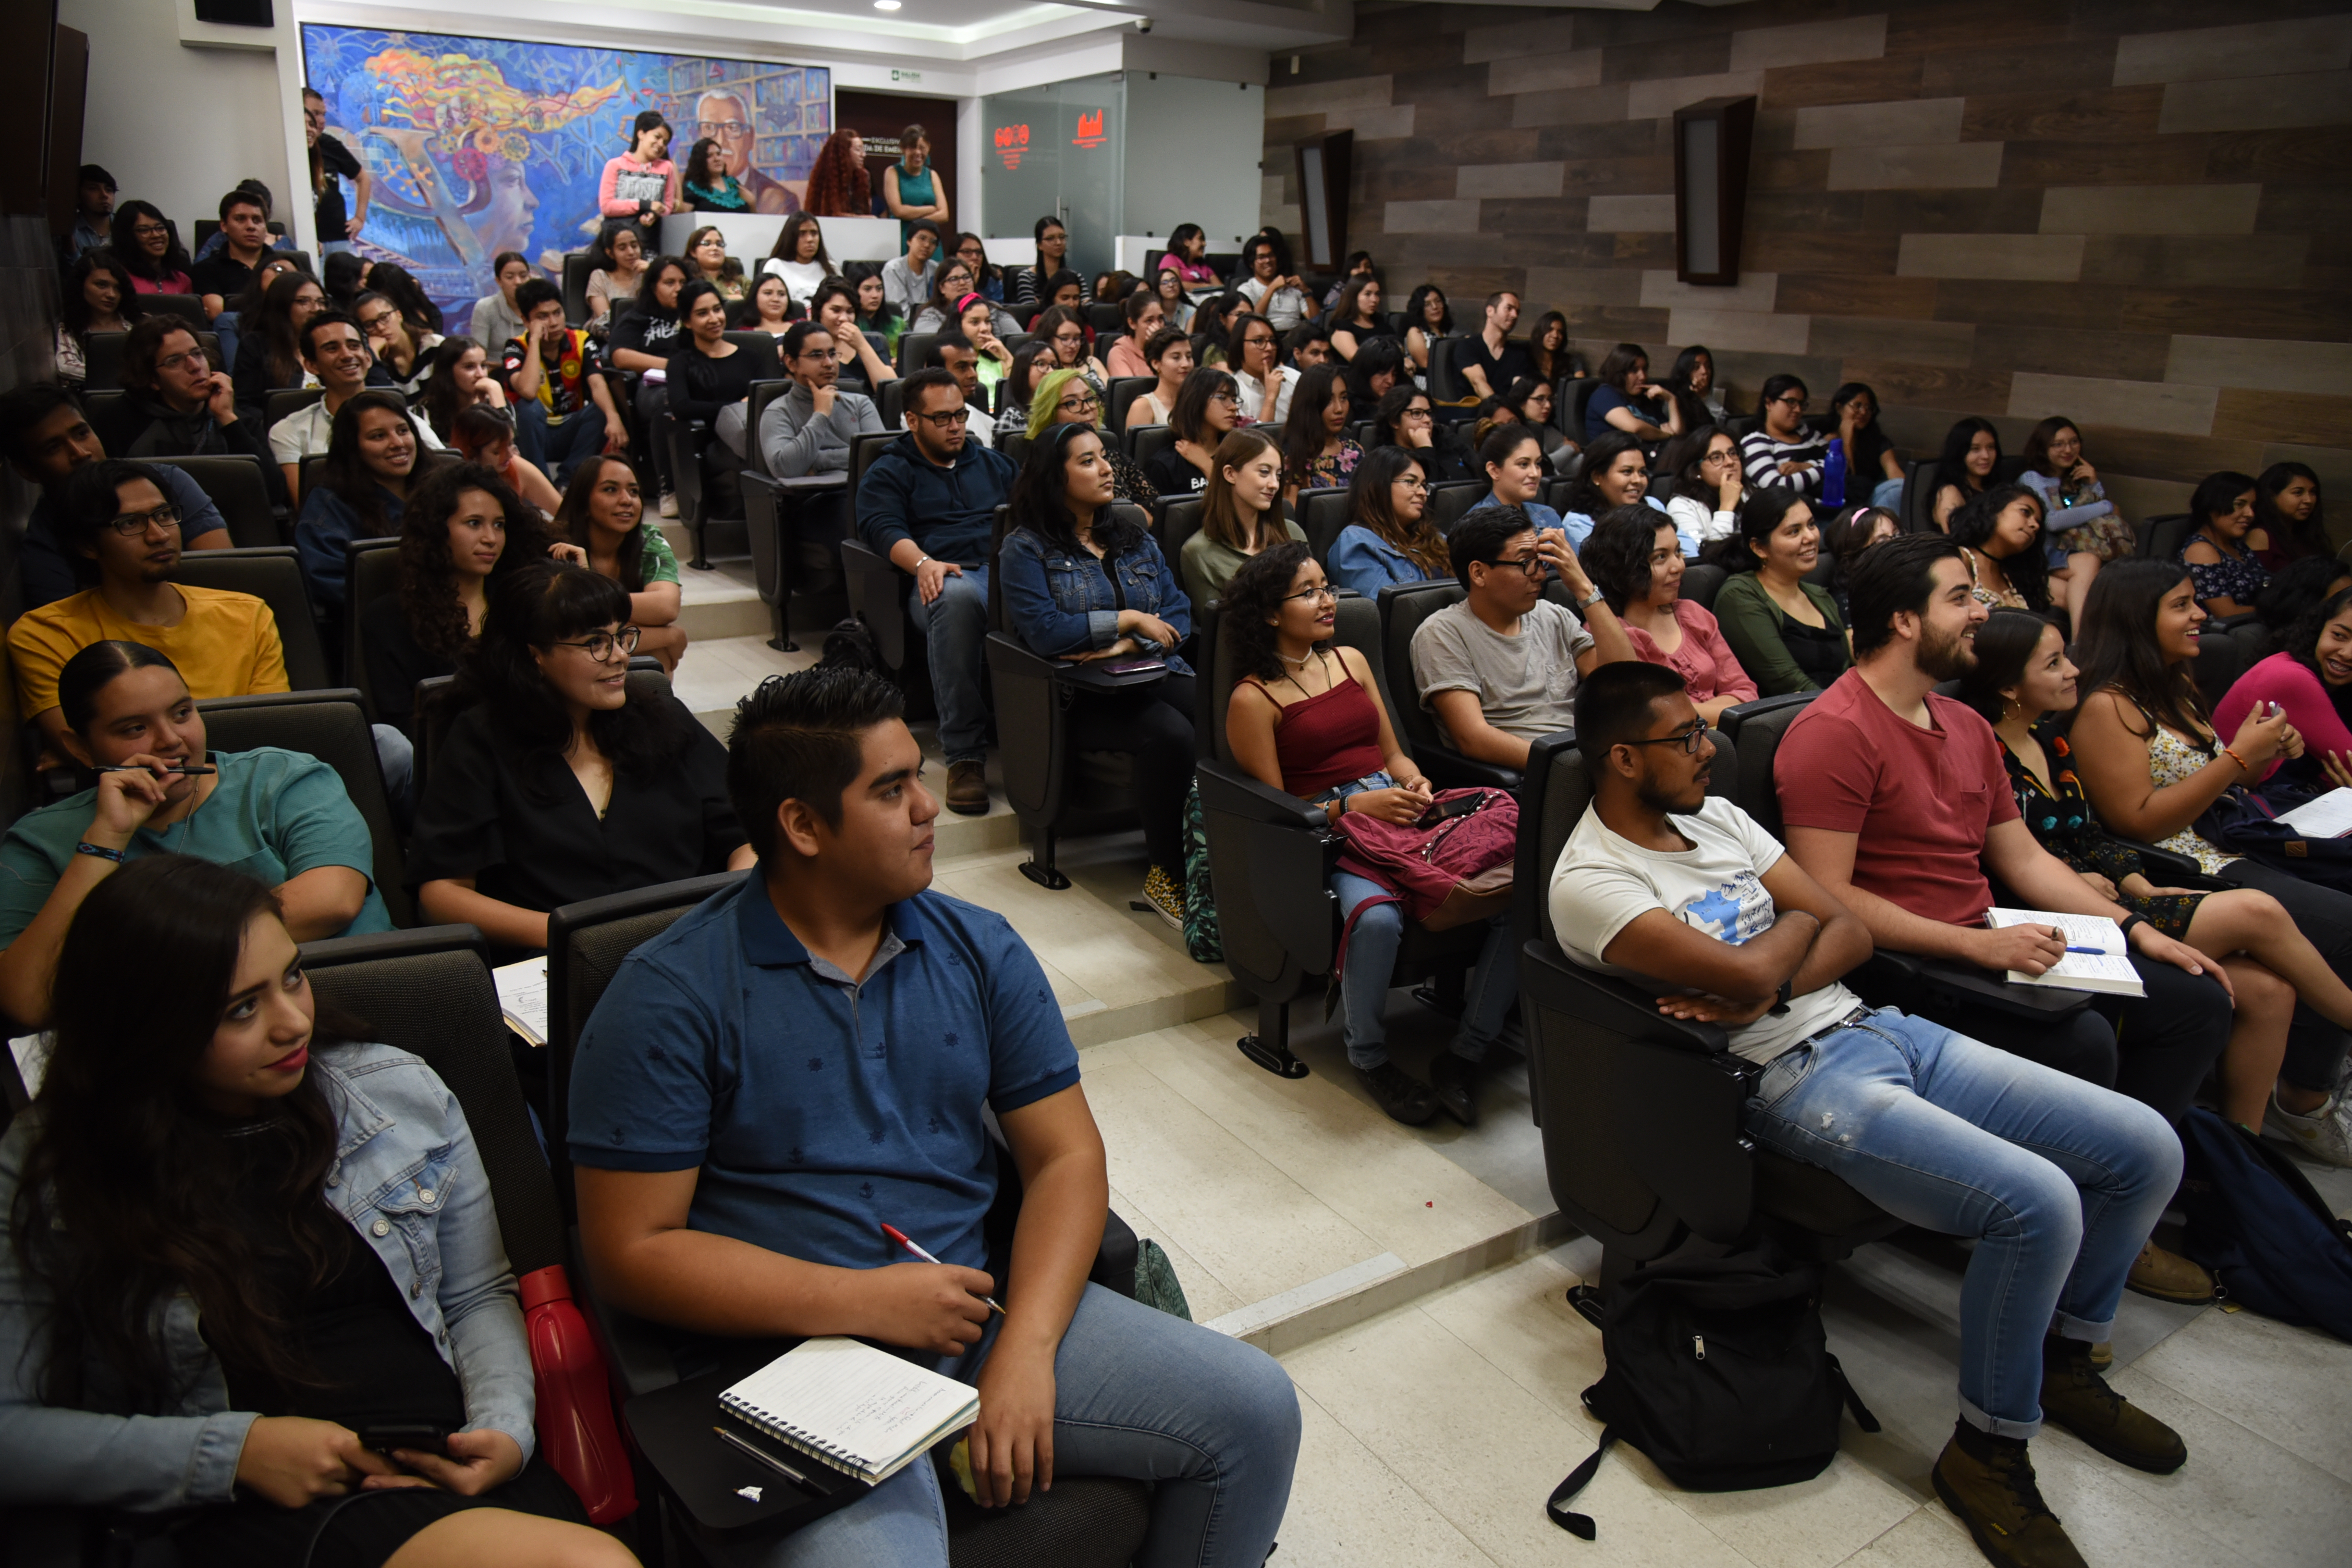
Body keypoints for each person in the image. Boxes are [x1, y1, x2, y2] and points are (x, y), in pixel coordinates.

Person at [568, 662, 1297, 1562]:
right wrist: (865, 1301)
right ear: (800, 824)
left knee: (1254, 1408)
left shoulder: (975, 945)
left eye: (919, 773)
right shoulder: (670, 995)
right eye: (890, 788)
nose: (929, 806)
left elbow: (1066, 1158)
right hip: (794, 1357)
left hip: (967, 1311)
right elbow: (631, 1250)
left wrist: (1024, 1352)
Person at [1555, 660, 2191, 1568]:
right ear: (1621, 757)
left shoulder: (1717, 817)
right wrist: (1782, 955)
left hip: (1878, 1027)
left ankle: (2068, 1353)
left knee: (2144, 1147)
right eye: (1687, 737)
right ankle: (1987, 1448)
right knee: (2036, 1204)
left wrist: (1772, 971)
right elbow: (1759, 962)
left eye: (1705, 729)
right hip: (1791, 1079)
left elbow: (1842, 923)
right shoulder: (1592, 879)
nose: (1710, 748)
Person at [6, 847, 622, 1559]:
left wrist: (505, 1431)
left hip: (445, 1465)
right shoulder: (56, 1162)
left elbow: (477, 1293)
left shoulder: (395, 1091)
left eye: (292, 977)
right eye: (241, 1009)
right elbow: (14, 1432)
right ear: (146, 1027)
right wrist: (233, 1455)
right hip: (240, 1504)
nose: (292, 1022)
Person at [1773, 535, 2236, 1207]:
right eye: (1960, 598)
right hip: (1916, 965)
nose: (1982, 613)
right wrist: (1974, 944)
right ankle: (2061, 1212)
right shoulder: (1834, 732)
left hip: (1990, 938)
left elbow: (2022, 857)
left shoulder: (1964, 723)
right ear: (1905, 620)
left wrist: (2136, 928)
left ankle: (2121, 1197)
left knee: (2196, 1003)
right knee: (2083, 1041)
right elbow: (1828, 896)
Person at [1962, 608, 2352, 1146]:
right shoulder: (1985, 750)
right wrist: (2093, 880)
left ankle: (2242, 1162)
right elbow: (2010, 857)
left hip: (2112, 896)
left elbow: (2094, 836)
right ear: (2009, 685)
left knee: (2271, 991)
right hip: (2049, 918)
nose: (2075, 670)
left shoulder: (2050, 737)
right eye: (2054, 663)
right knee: (2258, 910)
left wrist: (2135, 882)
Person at [1220, 544, 1516, 1125]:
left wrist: (1415, 782)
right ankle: (1370, 1055)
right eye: (1308, 592)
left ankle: (1467, 1051)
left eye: (1327, 587)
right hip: (1335, 836)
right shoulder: (1251, 698)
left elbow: (1393, 752)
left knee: (1515, 890)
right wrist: (1356, 804)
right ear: (1272, 614)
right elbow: (1280, 810)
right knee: (1377, 918)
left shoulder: (1352, 659)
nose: (1327, 600)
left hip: (1400, 812)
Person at [2068, 563, 2352, 1162]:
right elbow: (2138, 821)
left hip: (2228, 844)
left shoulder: (2172, 686)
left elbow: (2214, 783)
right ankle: (2305, 1094)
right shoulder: (2107, 706)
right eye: (2182, 604)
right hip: (2181, 865)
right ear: (2139, 620)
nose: (2200, 614)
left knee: (2324, 923)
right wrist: (2238, 761)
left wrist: (2268, 752)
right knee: (2343, 927)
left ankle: (2246, 1154)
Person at [411, 563, 753, 948]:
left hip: (689, 945)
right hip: (553, 961)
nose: (620, 656)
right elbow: (442, 894)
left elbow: (748, 836)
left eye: (623, 637)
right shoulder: (481, 737)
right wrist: (574, 938)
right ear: (534, 655)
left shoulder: (663, 717)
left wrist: (719, 914)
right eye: (595, 643)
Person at [999, 425, 1195, 922]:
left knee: (1230, 710)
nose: (1107, 468)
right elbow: (1045, 633)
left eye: (1103, 457)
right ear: (1054, 477)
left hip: (1151, 670)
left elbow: (1179, 613)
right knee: (1168, 733)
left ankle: (1224, 859)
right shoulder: (1026, 549)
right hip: (1082, 699)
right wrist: (1127, 619)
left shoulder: (1134, 538)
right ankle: (1166, 876)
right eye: (1087, 461)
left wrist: (1133, 641)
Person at [9, 461, 287, 755]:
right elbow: (85, 752)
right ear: (87, 545)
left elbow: (271, 735)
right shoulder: (46, 634)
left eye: (164, 515)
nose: (159, 535)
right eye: (130, 523)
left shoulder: (248, 614)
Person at [858, 368, 1019, 815]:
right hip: (943, 577)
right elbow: (879, 526)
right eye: (942, 418)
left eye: (961, 415)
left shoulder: (994, 463)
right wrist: (923, 562)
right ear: (912, 420)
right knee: (955, 596)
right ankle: (965, 755)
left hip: (1006, 571)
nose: (955, 426)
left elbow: (1031, 515)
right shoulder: (890, 470)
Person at [1412, 505, 1634, 769]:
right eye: (1526, 563)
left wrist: (1583, 587)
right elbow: (1472, 738)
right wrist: (1568, 766)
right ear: (1479, 573)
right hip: (1532, 774)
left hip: (1590, 754)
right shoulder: (1442, 633)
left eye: (1540, 561)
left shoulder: (1553, 616)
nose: (1540, 574)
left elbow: (1626, 685)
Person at [364, 460, 562, 738]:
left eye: (499, 525)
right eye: (474, 524)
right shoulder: (388, 618)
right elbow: (404, 727)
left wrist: (578, 579)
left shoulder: (520, 600)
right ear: (436, 529)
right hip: (450, 758)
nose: (491, 538)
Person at [2, 385, 234, 612]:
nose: (80, 453)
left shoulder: (169, 482)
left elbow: (223, 583)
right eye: (53, 448)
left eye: (82, 434)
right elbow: (70, 631)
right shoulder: (43, 547)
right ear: (27, 471)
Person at [1582, 505, 1756, 724]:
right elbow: (1654, 718)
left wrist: (1696, 713)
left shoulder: (1693, 614)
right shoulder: (1608, 635)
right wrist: (1724, 711)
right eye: (1661, 557)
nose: (1679, 566)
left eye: (1678, 552)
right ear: (1624, 567)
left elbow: (1745, 692)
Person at [271, 311, 445, 507]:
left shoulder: (407, 424)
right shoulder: (290, 431)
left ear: (368, 358)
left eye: (354, 346)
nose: (347, 355)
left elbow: (446, 479)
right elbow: (305, 506)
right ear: (312, 365)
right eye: (332, 349)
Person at [759, 317, 884, 580]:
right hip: (816, 505)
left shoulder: (860, 403)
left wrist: (818, 462)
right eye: (816, 355)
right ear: (791, 363)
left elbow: (878, 456)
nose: (829, 363)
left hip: (864, 493)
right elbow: (787, 467)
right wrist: (821, 414)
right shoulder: (777, 411)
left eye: (832, 354)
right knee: (865, 524)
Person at [109, 318, 280, 497]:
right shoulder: (119, 422)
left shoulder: (236, 420)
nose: (195, 366)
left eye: (197, 354)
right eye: (174, 361)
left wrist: (227, 419)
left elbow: (275, 493)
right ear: (152, 379)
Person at [1710, 490, 1852, 696]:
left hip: (1837, 707)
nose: (1811, 537)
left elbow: (1846, 671)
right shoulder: (1740, 596)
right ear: (1759, 548)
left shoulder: (1819, 595)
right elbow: (1788, 683)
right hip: (1790, 719)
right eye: (1794, 532)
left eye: (1811, 525)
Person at [555, 455, 688, 675]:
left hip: (613, 648)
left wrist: (594, 601)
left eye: (634, 492)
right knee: (659, 644)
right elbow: (571, 633)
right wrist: (669, 636)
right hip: (570, 661)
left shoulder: (648, 541)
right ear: (584, 503)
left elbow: (666, 606)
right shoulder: (560, 546)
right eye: (610, 490)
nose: (627, 500)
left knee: (654, 657)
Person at [294, 389, 421, 614]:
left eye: (403, 430)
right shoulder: (329, 506)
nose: (398, 443)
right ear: (353, 447)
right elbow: (336, 585)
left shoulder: (444, 485)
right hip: (383, 624)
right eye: (378, 436)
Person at [503, 279, 622, 489]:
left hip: (570, 429)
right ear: (526, 320)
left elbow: (597, 383)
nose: (554, 322)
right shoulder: (515, 348)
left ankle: (568, 482)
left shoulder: (582, 340)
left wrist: (614, 418)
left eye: (557, 313)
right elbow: (529, 391)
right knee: (529, 409)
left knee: (602, 410)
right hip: (534, 436)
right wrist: (534, 342)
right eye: (542, 317)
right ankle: (541, 486)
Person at [1181, 429, 1306, 610]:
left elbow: (1316, 597)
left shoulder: (1293, 533)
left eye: (1278, 475)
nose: (1275, 485)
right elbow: (1217, 630)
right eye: (1264, 472)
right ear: (1230, 474)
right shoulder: (1199, 552)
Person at [2018, 415, 2133, 596]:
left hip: (2084, 549)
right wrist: (2104, 505)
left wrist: (2094, 484)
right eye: (2058, 444)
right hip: (2047, 554)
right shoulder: (2032, 479)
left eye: (2074, 442)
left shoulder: (2076, 479)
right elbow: (2052, 521)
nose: (2068, 450)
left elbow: (2113, 516)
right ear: (2042, 448)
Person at [1330, 446, 1448, 598]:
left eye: (1424, 486)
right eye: (1411, 482)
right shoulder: (1356, 543)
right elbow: (1392, 611)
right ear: (1379, 486)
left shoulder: (1431, 535)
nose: (1422, 493)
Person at [1024, 368, 1153, 503]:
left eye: (1090, 398)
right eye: (1072, 403)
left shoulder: (1112, 452)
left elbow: (1156, 506)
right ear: (1049, 413)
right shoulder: (1041, 465)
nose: (1087, 408)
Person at [1556, 430, 1676, 552]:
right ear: (1597, 477)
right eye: (1627, 472)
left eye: (1642, 472)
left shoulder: (1653, 505)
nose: (1638, 480)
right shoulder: (1579, 523)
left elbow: (1688, 552)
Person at [231, 268, 328, 418]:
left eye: (321, 302)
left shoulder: (334, 344)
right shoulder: (256, 345)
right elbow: (245, 406)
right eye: (304, 301)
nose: (316, 309)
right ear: (281, 305)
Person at [688, 88, 798, 215]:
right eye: (708, 127)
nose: (720, 141)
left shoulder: (778, 200)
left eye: (733, 128)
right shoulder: (688, 188)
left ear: (750, 137)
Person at [1950, 483, 2054, 614]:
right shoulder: (1958, 560)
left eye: (2038, 522)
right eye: (2025, 512)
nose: (2035, 526)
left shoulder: (2017, 579)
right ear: (1993, 509)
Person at [447, 401, 564, 517]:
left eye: (510, 444)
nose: (509, 455)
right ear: (472, 454)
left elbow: (565, 514)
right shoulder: (454, 484)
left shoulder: (517, 467)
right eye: (497, 451)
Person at [2178, 469, 2268, 618]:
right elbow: (2226, 613)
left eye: (2253, 506)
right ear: (2212, 507)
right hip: (2221, 634)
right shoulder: (2201, 550)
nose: (2250, 514)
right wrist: (2280, 613)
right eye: (2240, 505)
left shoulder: (2236, 544)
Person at [1464, 425, 1573, 543]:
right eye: (1524, 464)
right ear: (1494, 471)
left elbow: (1577, 560)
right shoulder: (1477, 528)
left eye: (1538, 464)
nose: (1535, 474)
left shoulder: (1548, 516)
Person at [1146, 366, 1242, 500]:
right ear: (1196, 400)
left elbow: (1244, 506)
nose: (1233, 407)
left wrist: (1208, 466)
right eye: (1222, 397)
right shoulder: (1165, 465)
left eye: (1233, 399)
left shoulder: (1240, 454)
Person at [1275, 364, 1361, 503]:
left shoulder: (1354, 451)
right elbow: (1292, 517)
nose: (1339, 409)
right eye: (1328, 400)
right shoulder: (1292, 456)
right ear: (1310, 405)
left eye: (1344, 398)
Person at [302, 87, 371, 252]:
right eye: (315, 113)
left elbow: (363, 179)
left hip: (337, 238)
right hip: (306, 238)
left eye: (323, 115)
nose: (321, 120)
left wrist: (359, 219)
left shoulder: (329, 144)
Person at [211, 252, 301, 378]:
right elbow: (238, 377)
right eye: (279, 269)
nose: (286, 278)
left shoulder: (305, 323)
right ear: (259, 275)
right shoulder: (231, 322)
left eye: (294, 276)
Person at [190, 188, 274, 320]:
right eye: (240, 219)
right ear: (224, 226)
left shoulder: (284, 265)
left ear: (266, 227)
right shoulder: (206, 269)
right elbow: (217, 313)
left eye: (257, 220)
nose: (251, 226)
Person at [1742, 375, 1829, 499]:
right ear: (1769, 403)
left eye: (1801, 404)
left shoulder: (1810, 434)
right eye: (1791, 402)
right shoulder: (1754, 443)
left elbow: (1842, 465)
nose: (1798, 410)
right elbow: (1776, 487)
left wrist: (1806, 466)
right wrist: (1826, 469)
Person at [55, 250, 132, 388]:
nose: (112, 295)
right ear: (81, 285)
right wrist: (128, 376)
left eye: (118, 288)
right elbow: (66, 366)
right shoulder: (71, 328)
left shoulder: (137, 324)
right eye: (102, 285)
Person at [1661, 427, 1746, 549]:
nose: (1730, 462)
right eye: (1716, 457)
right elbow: (1706, 559)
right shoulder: (1681, 507)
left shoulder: (1748, 494)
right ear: (1696, 471)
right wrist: (1726, 508)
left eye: (1733, 453)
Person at [1371, 385, 1475, 484]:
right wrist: (1425, 449)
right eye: (1417, 413)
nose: (1427, 420)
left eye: (1429, 413)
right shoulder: (1385, 460)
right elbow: (1427, 494)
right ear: (1394, 421)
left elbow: (1480, 470)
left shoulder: (1445, 438)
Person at [1583, 342, 1681, 446]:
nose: (1642, 376)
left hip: (1651, 454)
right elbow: (1634, 428)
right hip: (1618, 457)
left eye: (1644, 369)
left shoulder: (1644, 398)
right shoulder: (1604, 394)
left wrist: (1672, 400)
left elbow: (1677, 435)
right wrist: (1666, 436)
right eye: (1634, 371)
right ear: (1619, 373)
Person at [1827, 381, 1905, 510]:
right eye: (1857, 406)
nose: (1863, 412)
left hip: (1871, 498)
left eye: (1869, 408)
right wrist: (1847, 441)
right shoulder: (1827, 440)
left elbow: (1895, 474)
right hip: (1839, 500)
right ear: (1839, 408)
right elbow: (1844, 477)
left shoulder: (1878, 441)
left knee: (1898, 488)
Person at [353, 289, 442, 399]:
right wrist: (373, 354)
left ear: (399, 315)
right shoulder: (371, 367)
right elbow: (385, 404)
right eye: (370, 325)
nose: (380, 328)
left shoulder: (434, 347)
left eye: (384, 318)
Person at [811, 277, 898, 389]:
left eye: (850, 312)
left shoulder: (872, 342)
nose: (844, 318)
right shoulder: (807, 344)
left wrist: (861, 346)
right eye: (836, 310)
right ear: (819, 311)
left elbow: (891, 390)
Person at [1820, 501, 1901, 620]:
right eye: (1883, 540)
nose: (1898, 544)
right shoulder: (1848, 602)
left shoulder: (1914, 580)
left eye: (1897, 535)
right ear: (1856, 553)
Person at [600, 110, 679, 231]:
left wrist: (654, 214)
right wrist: (644, 205)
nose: (661, 144)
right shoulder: (615, 165)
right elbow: (607, 207)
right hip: (616, 236)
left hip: (648, 236)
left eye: (665, 142)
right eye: (657, 137)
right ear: (641, 134)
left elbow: (668, 206)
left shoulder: (667, 168)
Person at [926, 332, 999, 449]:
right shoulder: (920, 422)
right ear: (935, 372)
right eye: (962, 367)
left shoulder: (988, 423)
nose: (973, 375)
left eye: (974, 367)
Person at [2251, 460, 2328, 570]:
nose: (2309, 500)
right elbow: (2255, 583)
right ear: (2272, 496)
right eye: (2298, 492)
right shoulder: (2261, 535)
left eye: (2313, 492)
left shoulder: (2305, 536)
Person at [1454, 291, 1530, 401]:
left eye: (1517, 311)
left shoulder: (1519, 355)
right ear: (1490, 311)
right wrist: (1499, 410)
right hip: (1474, 415)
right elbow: (1478, 382)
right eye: (1509, 308)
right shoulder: (1468, 346)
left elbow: (1520, 391)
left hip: (1508, 414)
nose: (1515, 315)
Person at [883, 123, 950, 247]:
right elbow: (899, 211)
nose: (918, 152)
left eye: (922, 147)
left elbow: (944, 215)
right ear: (903, 148)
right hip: (904, 238)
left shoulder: (933, 175)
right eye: (913, 147)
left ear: (929, 148)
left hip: (930, 242)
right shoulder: (892, 173)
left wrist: (916, 221)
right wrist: (930, 209)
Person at [1227, 312, 1297, 428]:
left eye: (1272, 341)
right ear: (1239, 345)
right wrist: (1270, 398)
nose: (1269, 348)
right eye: (1259, 341)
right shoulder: (1233, 391)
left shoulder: (1294, 378)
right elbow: (1257, 444)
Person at [1931, 416, 2001, 531]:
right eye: (1975, 449)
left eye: (1991, 447)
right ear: (1960, 453)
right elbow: (1956, 540)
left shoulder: (1995, 487)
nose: (1986, 456)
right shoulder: (1951, 493)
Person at [110, 201, 193, 297]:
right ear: (127, 236)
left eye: (160, 228)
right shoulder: (116, 277)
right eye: (144, 230)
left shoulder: (183, 280)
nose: (156, 235)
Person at [1233, 235, 1309, 331]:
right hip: (1266, 337)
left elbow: (1316, 319)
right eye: (1262, 258)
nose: (1268, 261)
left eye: (1271, 256)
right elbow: (1252, 321)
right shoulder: (1246, 289)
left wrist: (1306, 291)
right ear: (1251, 264)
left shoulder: (1292, 287)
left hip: (1296, 336)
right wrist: (1272, 288)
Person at [1126, 325, 1194, 432]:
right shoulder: (1142, 407)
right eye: (1176, 357)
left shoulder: (1198, 403)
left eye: (1189, 357)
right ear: (1156, 364)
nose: (1186, 364)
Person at [584, 220, 647, 330]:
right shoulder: (600, 276)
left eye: (634, 246)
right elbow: (606, 320)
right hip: (612, 336)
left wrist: (654, 273)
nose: (631, 252)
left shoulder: (648, 274)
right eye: (622, 248)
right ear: (610, 253)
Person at [760, 212, 832, 307]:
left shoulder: (830, 268)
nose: (810, 240)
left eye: (814, 233)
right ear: (791, 238)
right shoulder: (775, 266)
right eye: (802, 234)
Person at [468, 251, 534, 356]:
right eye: (510, 277)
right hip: (497, 370)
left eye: (523, 276)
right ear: (498, 281)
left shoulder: (539, 306)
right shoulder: (485, 308)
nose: (518, 282)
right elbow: (478, 356)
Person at [1009, 216, 1080, 308]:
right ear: (1040, 245)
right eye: (1051, 238)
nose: (1058, 243)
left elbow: (1087, 307)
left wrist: (1042, 306)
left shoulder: (1075, 276)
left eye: (1062, 237)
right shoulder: (1027, 278)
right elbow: (1029, 311)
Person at [801, 127, 870, 218]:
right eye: (858, 150)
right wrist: (862, 219)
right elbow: (830, 215)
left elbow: (864, 211)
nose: (863, 155)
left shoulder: (863, 177)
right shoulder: (828, 177)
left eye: (863, 150)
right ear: (844, 152)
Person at [56, 163, 115, 266]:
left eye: (109, 190)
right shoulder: (70, 229)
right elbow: (73, 271)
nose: (104, 195)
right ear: (77, 195)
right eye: (93, 189)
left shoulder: (127, 224)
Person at [1326, 276, 1393, 364]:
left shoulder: (1380, 323)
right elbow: (1358, 360)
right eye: (1368, 294)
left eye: (1377, 294)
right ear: (1353, 297)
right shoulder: (1342, 327)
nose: (1375, 300)